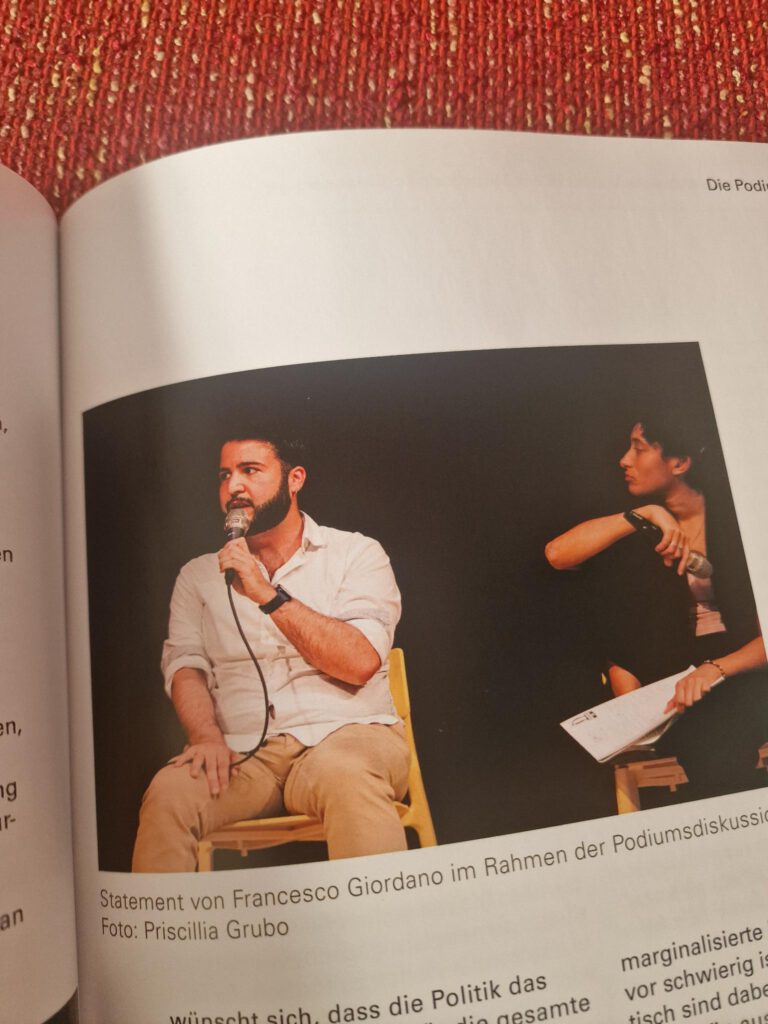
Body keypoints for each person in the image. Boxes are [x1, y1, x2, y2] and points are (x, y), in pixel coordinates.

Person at [132, 434, 410, 872]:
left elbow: (359, 663)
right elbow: (186, 666)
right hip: (243, 756)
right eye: (225, 475)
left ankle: (384, 917)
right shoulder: (198, 576)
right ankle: (161, 920)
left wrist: (268, 595)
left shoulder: (355, 553)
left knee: (348, 776)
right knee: (169, 794)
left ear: (294, 479)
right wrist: (206, 737)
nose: (234, 487)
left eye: (250, 471)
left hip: (346, 735)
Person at [545, 415, 766, 797]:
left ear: (679, 463)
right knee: (701, 726)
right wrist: (643, 515)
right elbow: (557, 555)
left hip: (746, 664)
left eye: (639, 449)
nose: (624, 460)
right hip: (679, 679)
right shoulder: (641, 525)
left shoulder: (742, 512)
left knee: (717, 728)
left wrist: (714, 670)